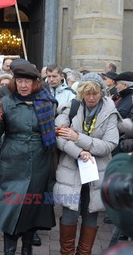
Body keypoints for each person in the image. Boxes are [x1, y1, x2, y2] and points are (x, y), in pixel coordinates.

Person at [0, 62, 57, 255]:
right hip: (12, 164)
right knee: (11, 209)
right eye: (19, 81)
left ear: (35, 83)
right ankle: (9, 251)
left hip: (39, 166)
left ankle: (27, 250)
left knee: (31, 208)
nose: (23, 85)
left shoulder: (47, 102)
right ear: (14, 82)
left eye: (27, 81)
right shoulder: (5, 102)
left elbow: (52, 134)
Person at [55, 73, 120, 255]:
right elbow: (59, 135)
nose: (91, 98)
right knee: (69, 214)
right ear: (81, 92)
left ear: (102, 92)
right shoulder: (72, 107)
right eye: (87, 93)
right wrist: (79, 152)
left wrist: (78, 138)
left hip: (97, 172)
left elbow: (109, 145)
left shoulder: (110, 112)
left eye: (95, 93)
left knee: (91, 215)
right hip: (71, 169)